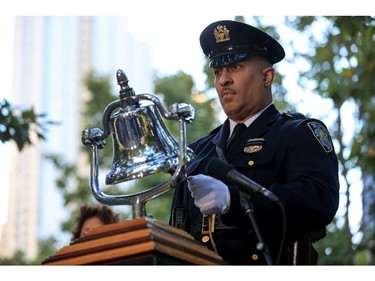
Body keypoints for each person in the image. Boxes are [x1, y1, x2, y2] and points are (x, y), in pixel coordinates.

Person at [169, 20, 340, 265]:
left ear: (267, 76)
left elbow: (318, 201)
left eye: (235, 67)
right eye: (218, 71)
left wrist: (235, 201)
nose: (223, 80)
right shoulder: (196, 151)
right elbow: (178, 227)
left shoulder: (297, 132)